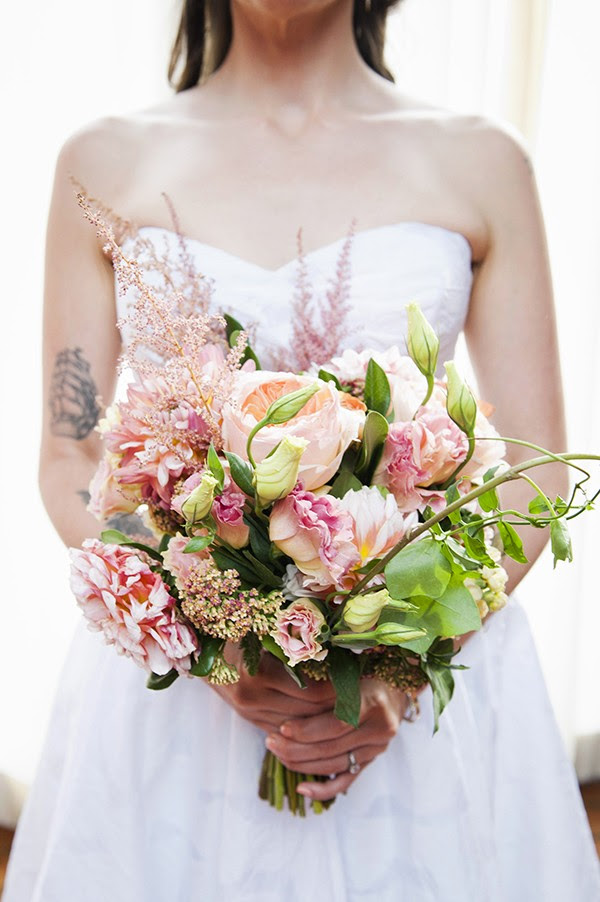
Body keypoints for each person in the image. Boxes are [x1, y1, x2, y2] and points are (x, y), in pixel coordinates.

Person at [4, 1, 600, 899]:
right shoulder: (103, 161)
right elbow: (68, 453)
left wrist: (394, 668)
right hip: (178, 713)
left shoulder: (484, 161)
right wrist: (210, 647)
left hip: (428, 693)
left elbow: (538, 469)